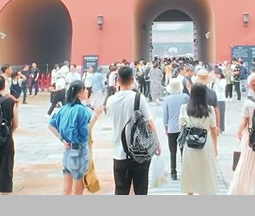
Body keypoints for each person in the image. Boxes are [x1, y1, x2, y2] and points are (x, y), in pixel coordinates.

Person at [103, 65, 160, 195]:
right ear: (133, 79)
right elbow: (150, 122)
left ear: (118, 80)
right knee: (140, 190)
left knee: (121, 190)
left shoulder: (110, 101)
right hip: (140, 152)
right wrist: (157, 142)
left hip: (119, 152)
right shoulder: (139, 98)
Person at [48, 79, 100, 195]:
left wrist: (62, 139)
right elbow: (86, 130)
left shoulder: (64, 108)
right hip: (79, 150)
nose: (87, 91)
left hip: (67, 151)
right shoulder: (82, 110)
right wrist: (96, 116)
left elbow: (51, 125)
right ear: (78, 93)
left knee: (66, 187)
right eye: (84, 89)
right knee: (78, 186)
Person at [178, 83, 220, 195]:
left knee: (190, 171)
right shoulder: (210, 109)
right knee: (205, 171)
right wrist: (216, 147)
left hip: (190, 144)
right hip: (206, 144)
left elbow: (181, 126)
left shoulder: (184, 108)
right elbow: (214, 130)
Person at [162, 78, 190, 181]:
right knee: (184, 150)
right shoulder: (186, 97)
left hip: (171, 128)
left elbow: (165, 116)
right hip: (183, 127)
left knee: (172, 151)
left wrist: (165, 127)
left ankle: (173, 172)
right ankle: (185, 171)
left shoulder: (167, 100)